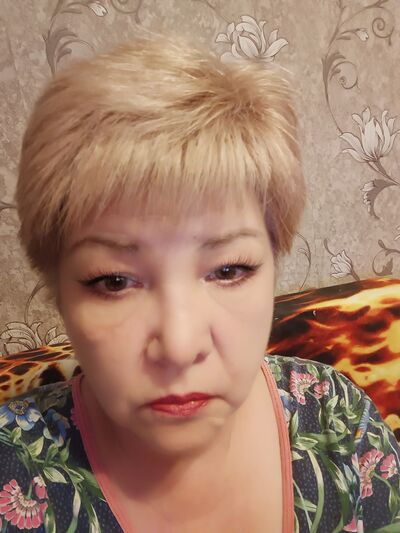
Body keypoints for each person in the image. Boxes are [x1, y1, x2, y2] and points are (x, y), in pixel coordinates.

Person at [0, 33, 398, 533]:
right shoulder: (14, 473)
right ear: (57, 290)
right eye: (115, 281)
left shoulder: (338, 424)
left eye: (229, 270)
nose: (181, 346)